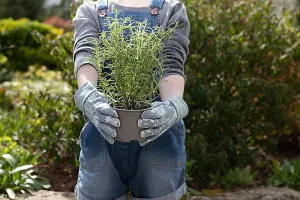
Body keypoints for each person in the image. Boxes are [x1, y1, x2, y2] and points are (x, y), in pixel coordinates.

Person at [72, 0, 190, 199]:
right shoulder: (91, 10)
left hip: (157, 129)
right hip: (103, 128)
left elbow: (170, 61)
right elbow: (87, 55)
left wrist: (173, 105)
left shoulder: (171, 9)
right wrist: (87, 94)